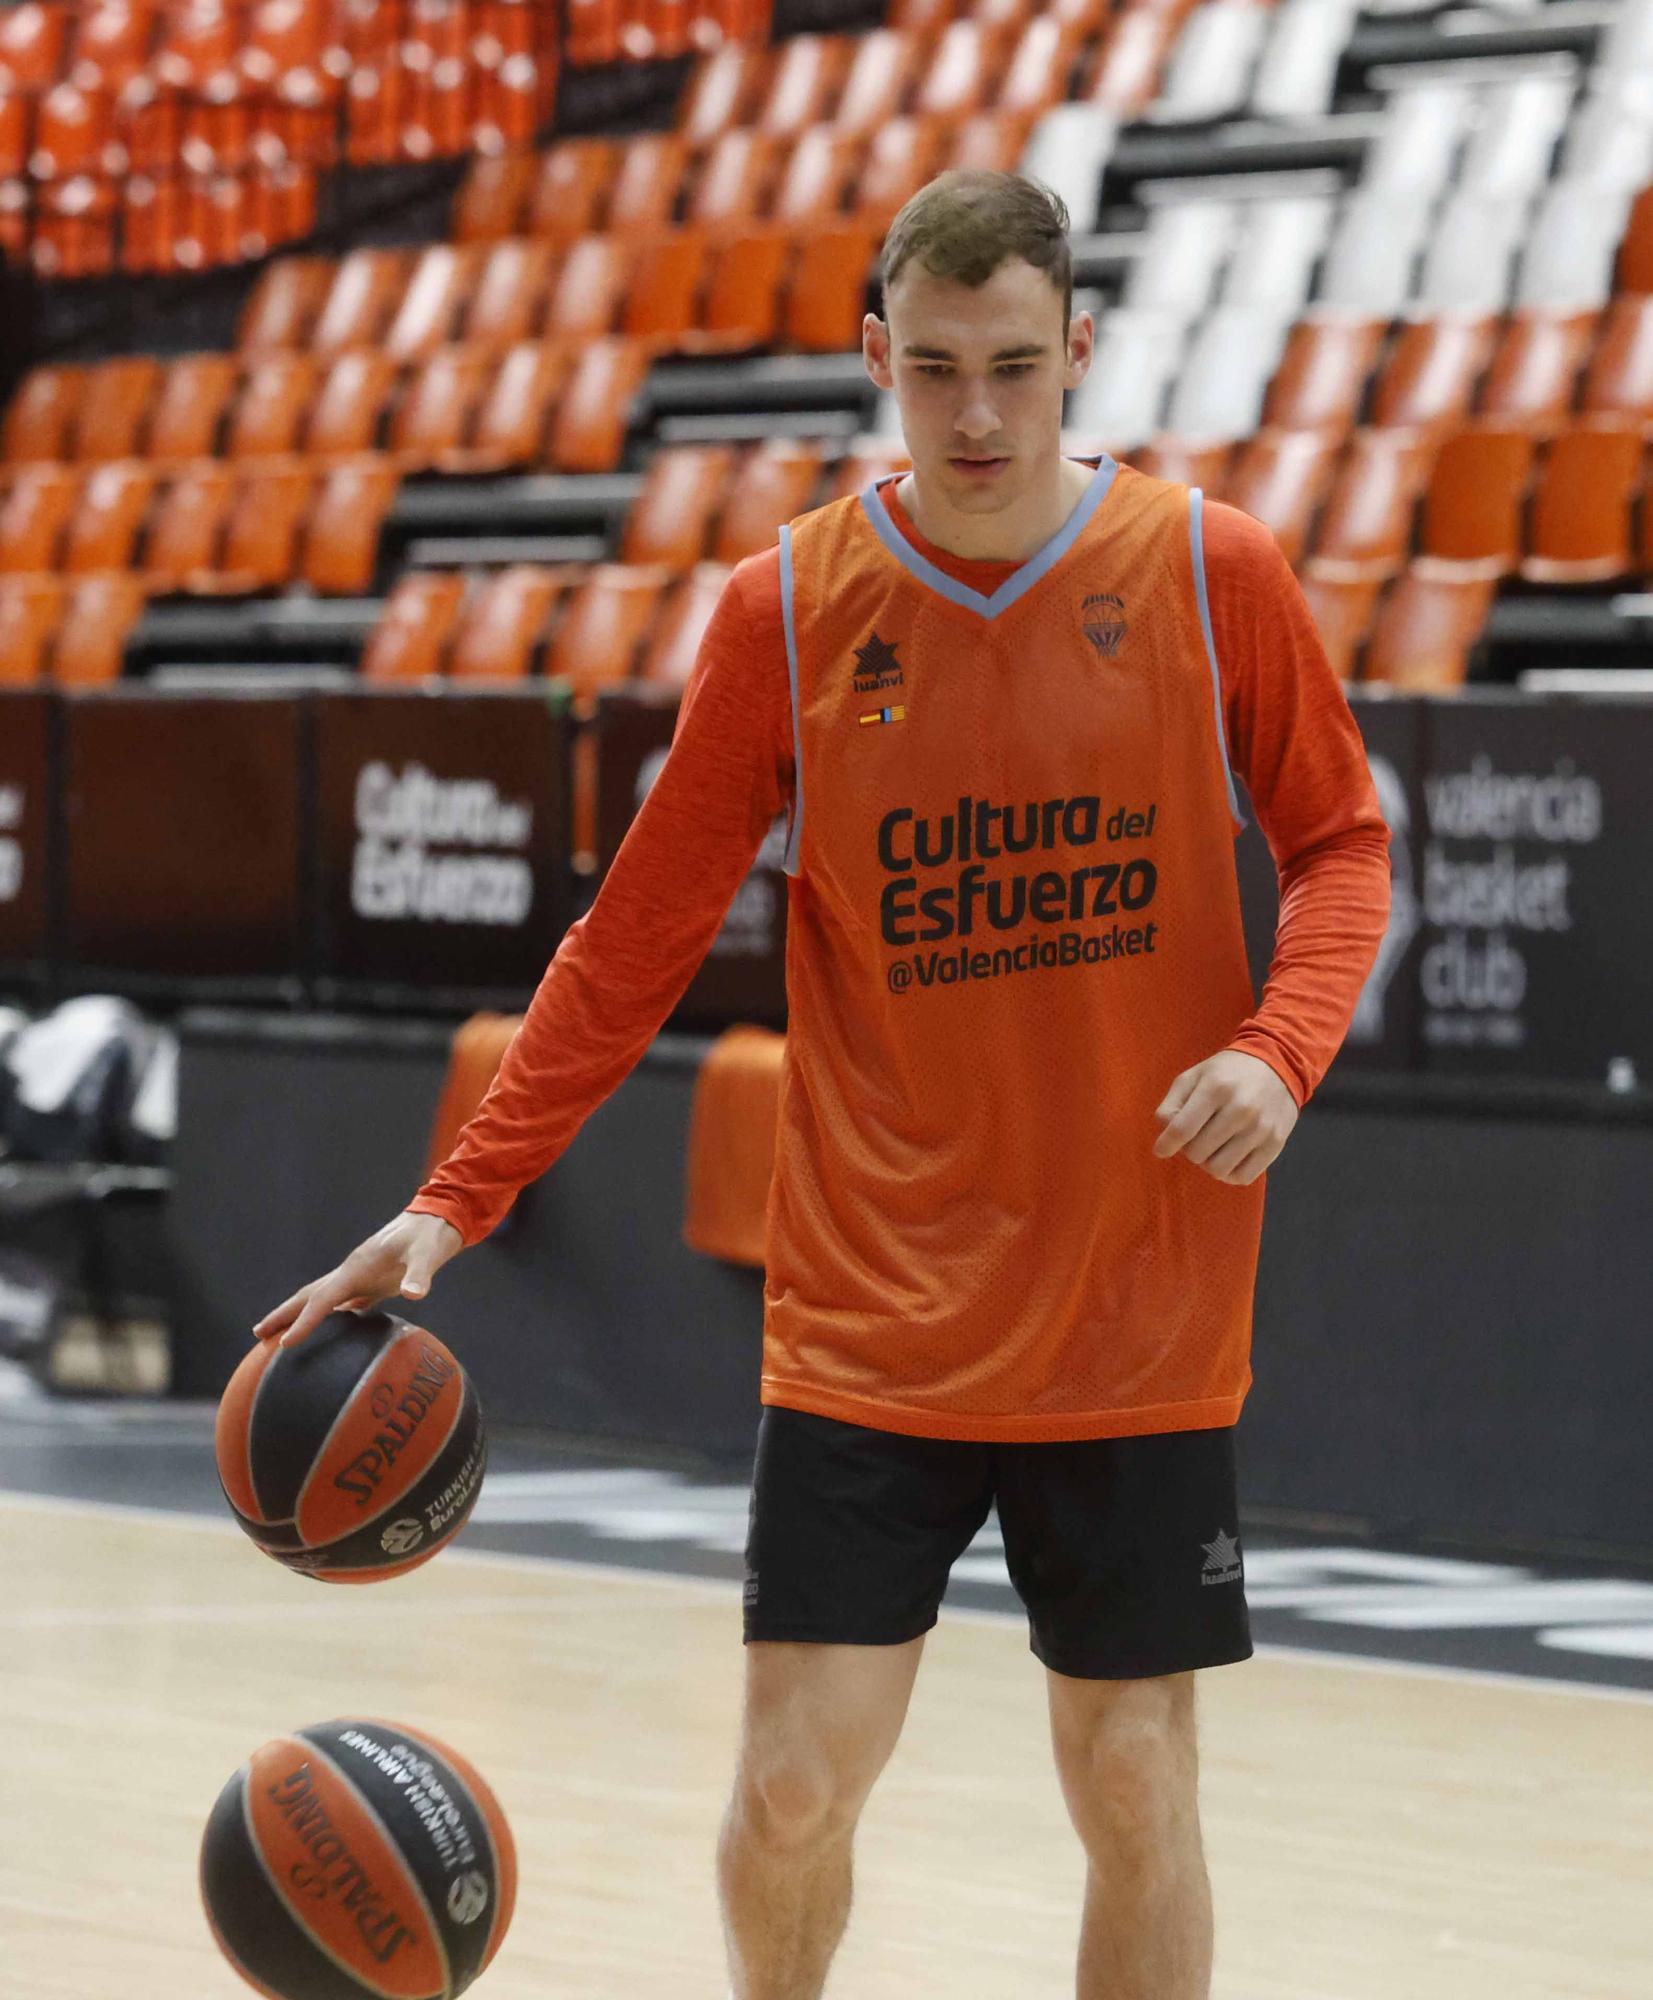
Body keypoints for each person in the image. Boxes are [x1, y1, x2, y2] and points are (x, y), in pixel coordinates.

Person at [255, 171, 1392, 2000]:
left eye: (1015, 368)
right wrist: (451, 1203)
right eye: (933, 369)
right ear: (877, 355)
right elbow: (629, 944)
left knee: (1130, 1778)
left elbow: (1341, 846)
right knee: (787, 1790)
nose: (974, 415)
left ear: (1078, 351)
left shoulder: (1208, 571)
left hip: (1131, 1303)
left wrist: (1279, 1048)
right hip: (874, 1309)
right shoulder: (785, 609)